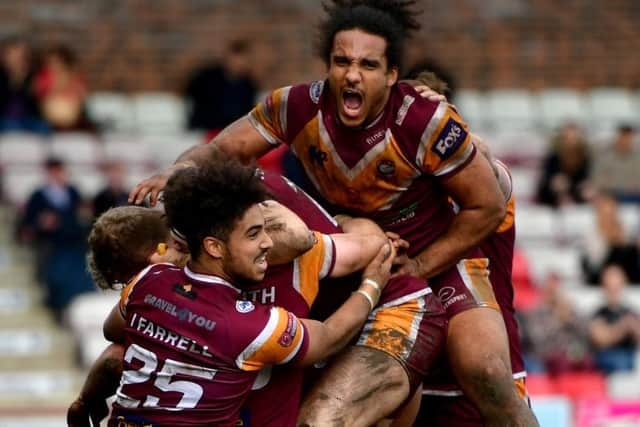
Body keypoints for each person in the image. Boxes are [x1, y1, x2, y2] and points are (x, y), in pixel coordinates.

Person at [129, 1, 537, 425]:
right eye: (341, 62)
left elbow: (487, 206)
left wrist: (419, 262)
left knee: (486, 370)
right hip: (356, 262)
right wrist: (178, 170)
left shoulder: (425, 119)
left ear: (392, 74)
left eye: (368, 64)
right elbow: (221, 150)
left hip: (439, 258)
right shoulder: (298, 105)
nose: (352, 74)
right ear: (328, 66)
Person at [70, 157, 448, 426]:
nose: (266, 243)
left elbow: (113, 349)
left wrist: (86, 400)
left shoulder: (148, 285)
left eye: (265, 230)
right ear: (215, 246)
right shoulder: (251, 322)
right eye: (254, 234)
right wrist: (370, 283)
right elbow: (329, 334)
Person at [18, 156, 93, 319]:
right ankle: (56, 310)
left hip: (73, 247)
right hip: (50, 248)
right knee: (56, 281)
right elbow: (26, 225)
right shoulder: (38, 196)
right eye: (53, 171)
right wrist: (41, 223)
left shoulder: (73, 192)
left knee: (78, 281)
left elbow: (84, 217)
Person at [185, 39, 258, 135]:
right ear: (229, 57)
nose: (241, 63)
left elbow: (247, 112)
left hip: (232, 133)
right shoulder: (207, 78)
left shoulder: (248, 85)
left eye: (245, 60)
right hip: (204, 130)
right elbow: (190, 99)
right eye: (238, 58)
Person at [589, 265, 640, 374]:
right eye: (610, 286)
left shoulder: (631, 311)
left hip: (629, 357)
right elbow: (600, 339)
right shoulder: (599, 313)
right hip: (607, 359)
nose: (613, 290)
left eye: (616, 286)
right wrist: (623, 327)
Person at [535, 122, 592, 207]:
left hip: (579, 200)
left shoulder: (586, 159)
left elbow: (586, 181)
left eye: (574, 138)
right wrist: (553, 184)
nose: (571, 142)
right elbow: (544, 184)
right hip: (553, 202)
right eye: (567, 138)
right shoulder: (553, 158)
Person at [0, 36, 49, 134]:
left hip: (31, 119)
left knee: (43, 128)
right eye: (13, 54)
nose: (17, 58)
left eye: (21, 55)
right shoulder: (2, 75)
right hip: (6, 119)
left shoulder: (35, 74)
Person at [592, 124, 640, 203]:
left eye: (628, 137)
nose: (626, 140)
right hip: (611, 194)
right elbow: (598, 178)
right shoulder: (605, 156)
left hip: (634, 195)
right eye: (623, 136)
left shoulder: (637, 157)